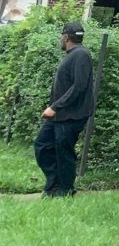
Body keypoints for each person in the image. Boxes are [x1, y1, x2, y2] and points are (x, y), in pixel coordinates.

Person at [34, 21, 95, 197]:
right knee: (42, 145)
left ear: (66, 37)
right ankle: (53, 185)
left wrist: (55, 106)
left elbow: (79, 86)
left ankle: (65, 189)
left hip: (71, 115)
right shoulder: (73, 54)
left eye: (62, 36)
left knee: (64, 151)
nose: (61, 39)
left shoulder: (81, 55)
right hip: (59, 115)